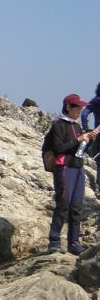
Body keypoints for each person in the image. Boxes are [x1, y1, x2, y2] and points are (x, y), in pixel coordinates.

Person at [47, 94, 100, 254]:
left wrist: (89, 139)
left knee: (77, 206)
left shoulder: (76, 126)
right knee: (63, 204)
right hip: (64, 168)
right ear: (68, 107)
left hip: (78, 168)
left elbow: (81, 151)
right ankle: (54, 242)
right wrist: (78, 139)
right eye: (77, 107)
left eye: (80, 107)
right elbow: (58, 148)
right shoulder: (58, 125)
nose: (80, 110)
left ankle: (74, 243)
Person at [81, 82, 100, 190]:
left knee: (98, 160)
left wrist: (86, 127)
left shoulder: (94, 101)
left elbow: (84, 114)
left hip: (97, 132)